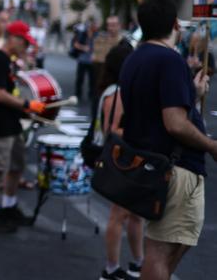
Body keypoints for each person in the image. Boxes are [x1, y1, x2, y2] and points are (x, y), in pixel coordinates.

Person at [119, 0, 216, 280]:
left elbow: (154, 109)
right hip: (174, 168)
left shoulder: (134, 58)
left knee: (171, 248)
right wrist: (212, 146)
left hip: (152, 165)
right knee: (161, 252)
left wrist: (193, 94)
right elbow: (174, 124)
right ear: (175, 25)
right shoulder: (170, 60)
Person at [0, 21, 44, 232]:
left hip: (10, 122)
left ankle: (8, 206)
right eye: (25, 42)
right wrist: (27, 105)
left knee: (16, 166)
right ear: (13, 38)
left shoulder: (8, 61)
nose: (26, 47)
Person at [93, 40, 144, 280]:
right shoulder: (117, 93)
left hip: (124, 159)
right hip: (121, 160)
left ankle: (137, 262)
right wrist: (142, 132)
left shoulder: (114, 89)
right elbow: (111, 130)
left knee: (134, 214)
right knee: (119, 215)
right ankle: (111, 269)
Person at [92, 16, 124, 105]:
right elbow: (96, 57)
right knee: (97, 102)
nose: (110, 28)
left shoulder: (123, 43)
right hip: (100, 77)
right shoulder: (100, 39)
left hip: (115, 79)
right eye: (109, 25)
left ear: (119, 26)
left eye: (113, 25)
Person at [72, 18, 97, 102]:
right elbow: (75, 44)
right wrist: (84, 48)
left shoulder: (96, 35)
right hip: (82, 59)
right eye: (91, 26)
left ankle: (91, 94)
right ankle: (78, 94)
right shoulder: (82, 34)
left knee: (92, 79)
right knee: (80, 78)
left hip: (92, 60)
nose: (93, 27)